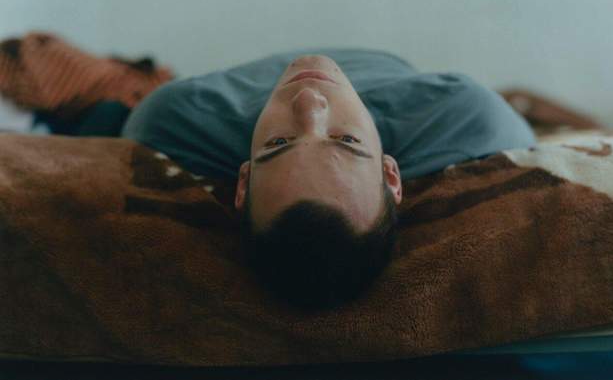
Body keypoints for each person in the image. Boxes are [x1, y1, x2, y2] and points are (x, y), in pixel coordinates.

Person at [117, 48, 537, 312]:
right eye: (347, 140)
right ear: (391, 174)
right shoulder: (466, 112)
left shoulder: (173, 118)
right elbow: (519, 132)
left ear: (243, 182)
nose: (309, 100)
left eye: (278, 143)